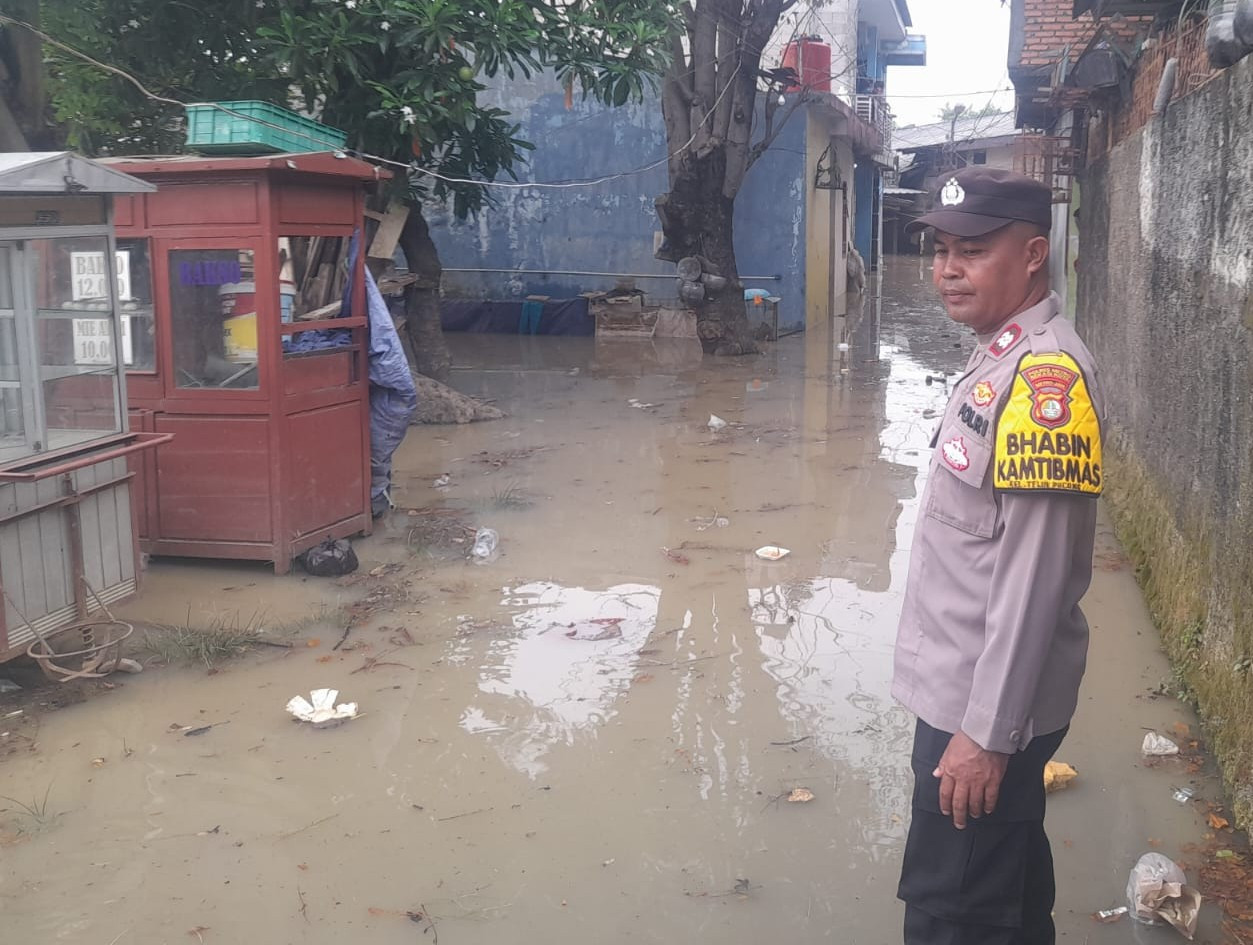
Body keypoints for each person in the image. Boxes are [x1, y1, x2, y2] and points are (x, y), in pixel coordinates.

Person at [893, 167, 1104, 945]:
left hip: (980, 710)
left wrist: (984, 736)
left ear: (1032, 256)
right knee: (1004, 889)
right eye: (942, 249)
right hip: (970, 694)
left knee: (953, 913)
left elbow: (1033, 580)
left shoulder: (1044, 382)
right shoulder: (997, 357)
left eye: (973, 251)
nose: (947, 268)